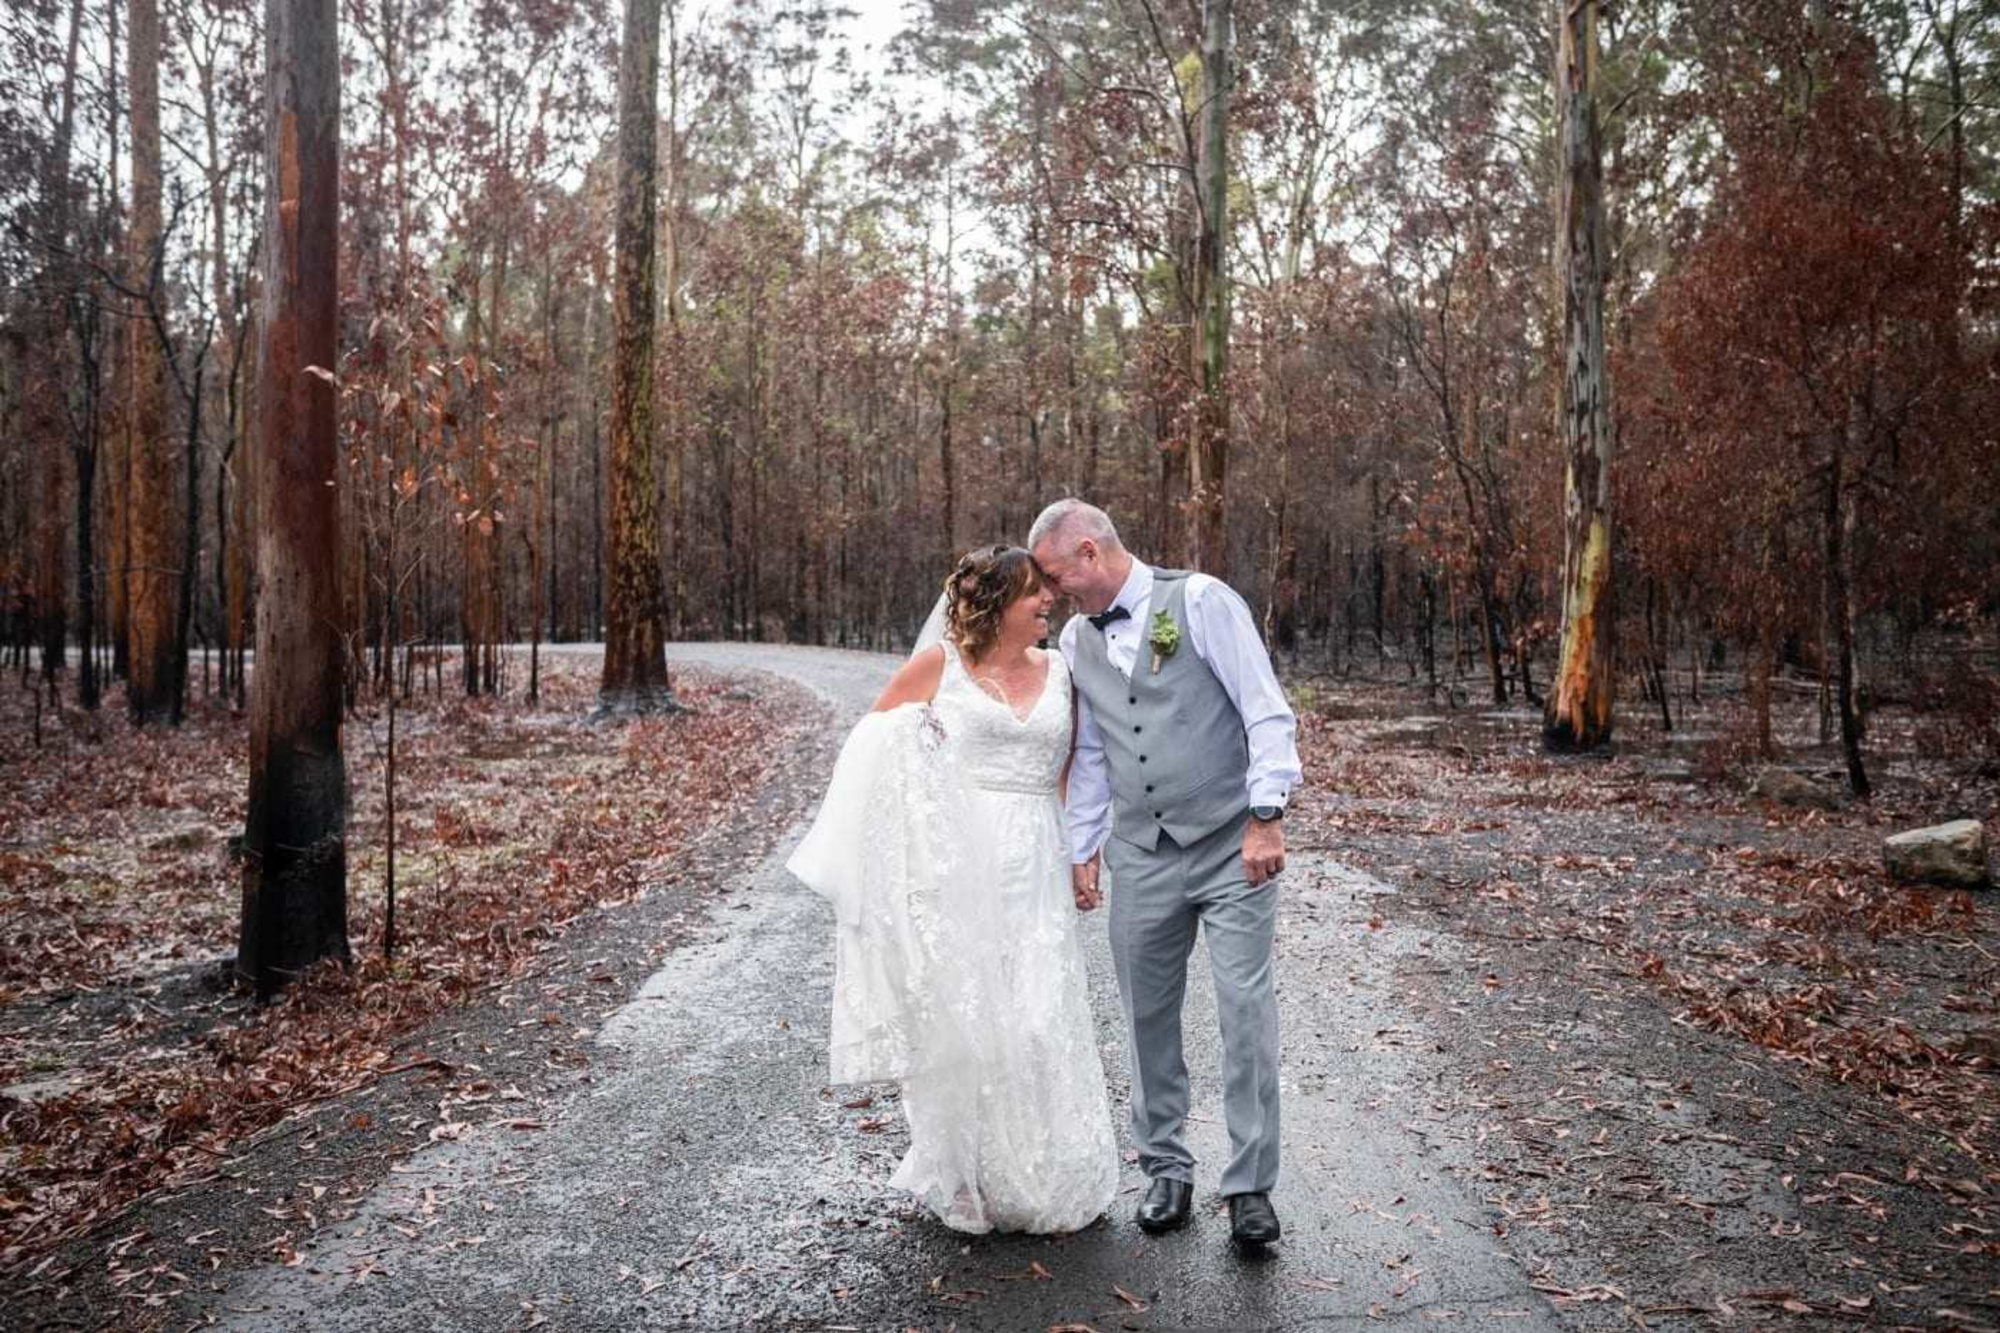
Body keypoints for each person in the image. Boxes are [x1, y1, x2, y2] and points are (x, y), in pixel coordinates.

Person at [786, 545, 1118, 1234]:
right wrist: (921, 813)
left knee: (1039, 1010)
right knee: (971, 1014)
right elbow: (874, 745)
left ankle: (1049, 1168)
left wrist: (1083, 853)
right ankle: (970, 1172)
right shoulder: (942, 666)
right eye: (1034, 593)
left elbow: (1069, 770)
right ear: (998, 604)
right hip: (959, 859)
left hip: (1038, 854)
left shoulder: (1062, 671)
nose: (1047, 602)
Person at [1028, 499, 1301, 1249]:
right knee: (1146, 1012)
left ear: (1089, 552)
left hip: (1228, 844)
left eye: (1055, 578)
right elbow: (1090, 755)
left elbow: (1265, 711)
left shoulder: (1203, 601)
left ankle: (1249, 1186)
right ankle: (1165, 1168)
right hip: (1141, 851)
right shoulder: (1081, 640)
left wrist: (1267, 813)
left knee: (1245, 1011)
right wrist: (1082, 848)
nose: (1051, 596)